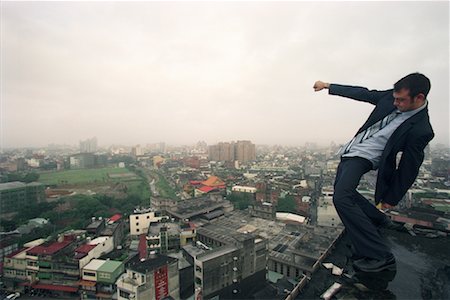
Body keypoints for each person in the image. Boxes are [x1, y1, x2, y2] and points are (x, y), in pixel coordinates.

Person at [313, 73, 434, 272]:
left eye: (401, 100)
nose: (396, 103)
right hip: (352, 149)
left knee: (341, 198)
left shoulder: (421, 128)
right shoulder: (391, 98)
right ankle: (377, 219)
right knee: (345, 193)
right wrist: (328, 86)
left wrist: (392, 197)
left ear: (419, 98)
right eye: (395, 98)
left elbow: (409, 166)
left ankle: (379, 255)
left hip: (366, 157)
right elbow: (362, 93)